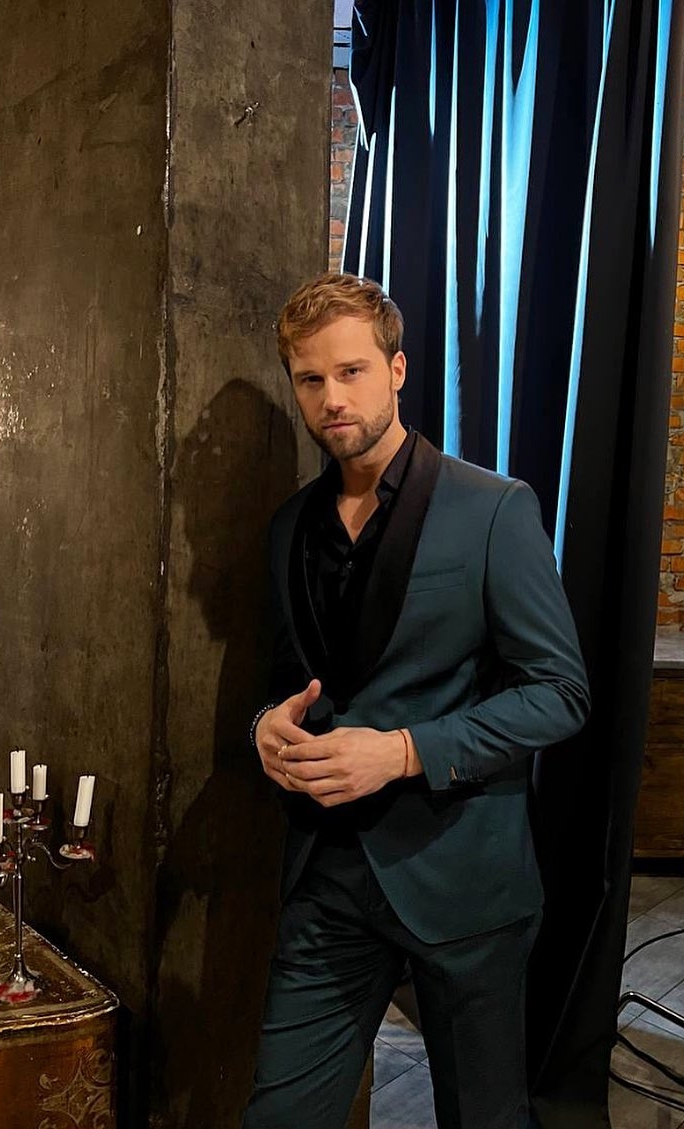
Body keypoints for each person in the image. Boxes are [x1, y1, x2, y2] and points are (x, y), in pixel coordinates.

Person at [243, 272, 590, 1129]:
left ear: (397, 370)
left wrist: (402, 750)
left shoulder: (494, 509)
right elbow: (286, 679)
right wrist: (265, 727)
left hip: (464, 882)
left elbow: (559, 693)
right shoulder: (289, 528)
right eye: (311, 379)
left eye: (352, 371)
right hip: (327, 878)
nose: (332, 397)